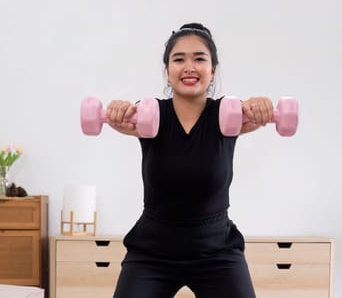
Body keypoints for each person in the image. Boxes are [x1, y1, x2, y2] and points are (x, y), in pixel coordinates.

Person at [107, 22, 274, 298]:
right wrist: (116, 109)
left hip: (217, 250)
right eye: (179, 59)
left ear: (212, 71)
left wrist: (260, 105)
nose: (189, 67)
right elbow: (122, 117)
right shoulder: (150, 114)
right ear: (167, 70)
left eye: (199, 58)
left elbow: (253, 113)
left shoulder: (228, 115)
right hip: (152, 251)